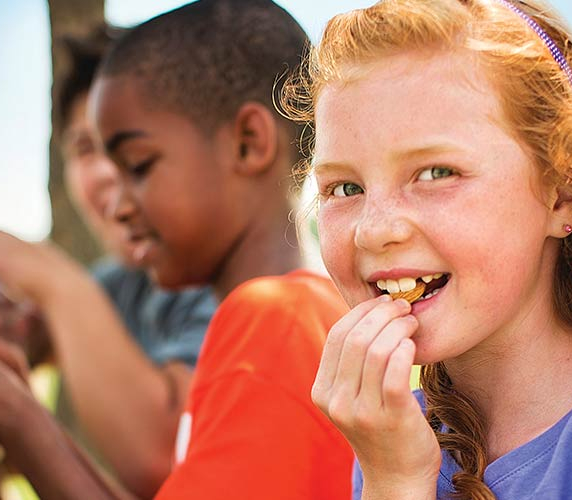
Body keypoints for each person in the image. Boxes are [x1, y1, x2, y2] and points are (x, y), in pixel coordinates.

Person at [0, 1, 353, 499]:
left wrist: (19, 418)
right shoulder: (296, 315)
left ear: (249, 143)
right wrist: (22, 414)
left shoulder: (274, 320)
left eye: (139, 165)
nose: (118, 205)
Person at [282, 0, 572, 498]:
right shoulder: (390, 437)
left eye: (436, 173)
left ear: (560, 194)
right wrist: (392, 478)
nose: (374, 230)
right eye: (346, 188)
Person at [0, 23, 217, 498]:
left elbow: (165, 457)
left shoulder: (223, 279)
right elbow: (29, 329)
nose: (106, 173)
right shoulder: (118, 283)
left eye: (128, 148)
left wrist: (49, 278)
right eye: (84, 148)